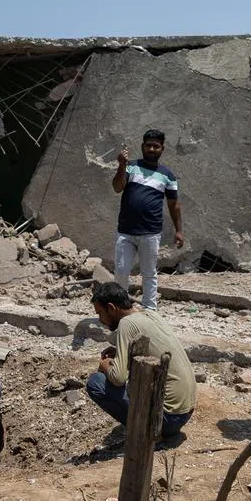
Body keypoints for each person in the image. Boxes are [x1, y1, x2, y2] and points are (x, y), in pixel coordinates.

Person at [86, 281, 196, 438]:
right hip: (185, 412)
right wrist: (120, 353)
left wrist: (104, 366)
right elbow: (150, 354)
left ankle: (145, 433)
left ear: (111, 308)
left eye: (100, 313)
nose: (100, 320)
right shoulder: (150, 314)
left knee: (96, 382)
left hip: (167, 419)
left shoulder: (126, 324)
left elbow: (118, 378)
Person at [112, 129, 184, 311]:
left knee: (149, 274)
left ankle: (150, 310)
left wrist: (179, 230)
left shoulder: (168, 175)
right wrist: (121, 165)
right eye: (148, 145)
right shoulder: (131, 167)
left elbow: (174, 205)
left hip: (150, 233)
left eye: (156, 146)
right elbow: (117, 187)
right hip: (126, 232)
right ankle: (120, 310)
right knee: (121, 271)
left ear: (162, 149)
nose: (152, 149)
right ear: (142, 146)